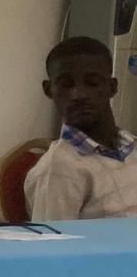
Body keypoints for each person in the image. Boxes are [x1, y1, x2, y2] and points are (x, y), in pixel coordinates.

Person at [26, 36, 137, 221]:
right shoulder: (59, 168)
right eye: (65, 85)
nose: (79, 94)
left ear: (112, 87)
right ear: (48, 90)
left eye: (92, 83)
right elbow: (54, 238)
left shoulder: (131, 147)